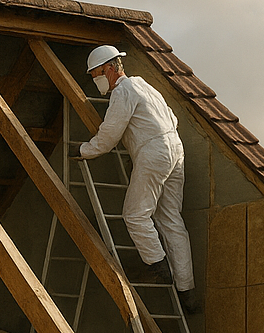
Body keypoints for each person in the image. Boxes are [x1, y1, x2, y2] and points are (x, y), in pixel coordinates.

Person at [75, 44, 199, 315]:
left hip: (155, 152)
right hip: (174, 150)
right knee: (171, 219)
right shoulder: (144, 85)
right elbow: (172, 119)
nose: (95, 79)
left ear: (109, 68)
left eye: (96, 73)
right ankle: (186, 290)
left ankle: (158, 266)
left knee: (134, 214)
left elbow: (109, 135)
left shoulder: (122, 91)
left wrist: (83, 150)